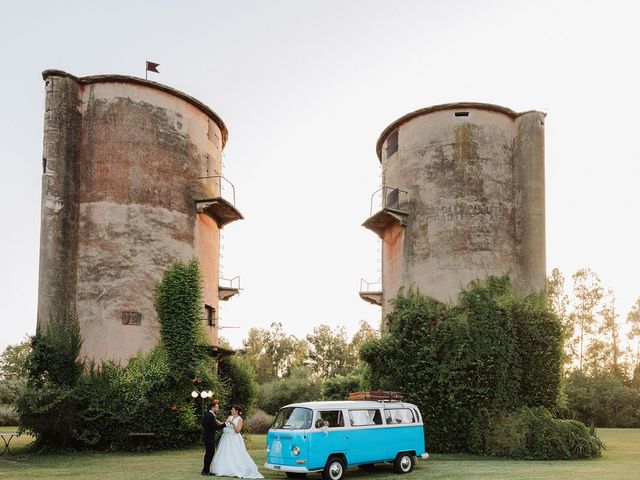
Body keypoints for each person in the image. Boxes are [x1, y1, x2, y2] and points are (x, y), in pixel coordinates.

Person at [210, 405, 263, 478]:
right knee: (225, 453)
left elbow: (238, 431)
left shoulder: (240, 419)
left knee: (235, 453)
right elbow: (224, 424)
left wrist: (233, 423)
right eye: (231, 409)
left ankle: (236, 469)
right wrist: (215, 420)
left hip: (234, 439)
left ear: (236, 411)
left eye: (232, 409)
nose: (231, 411)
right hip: (226, 438)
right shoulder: (229, 417)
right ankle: (223, 469)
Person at [202, 399, 227, 476]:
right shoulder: (211, 416)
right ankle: (205, 471)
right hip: (209, 438)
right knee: (210, 454)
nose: (218, 409)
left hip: (207, 437)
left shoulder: (207, 414)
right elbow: (215, 427)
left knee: (209, 453)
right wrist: (225, 424)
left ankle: (206, 470)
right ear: (213, 407)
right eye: (217, 407)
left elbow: (203, 425)